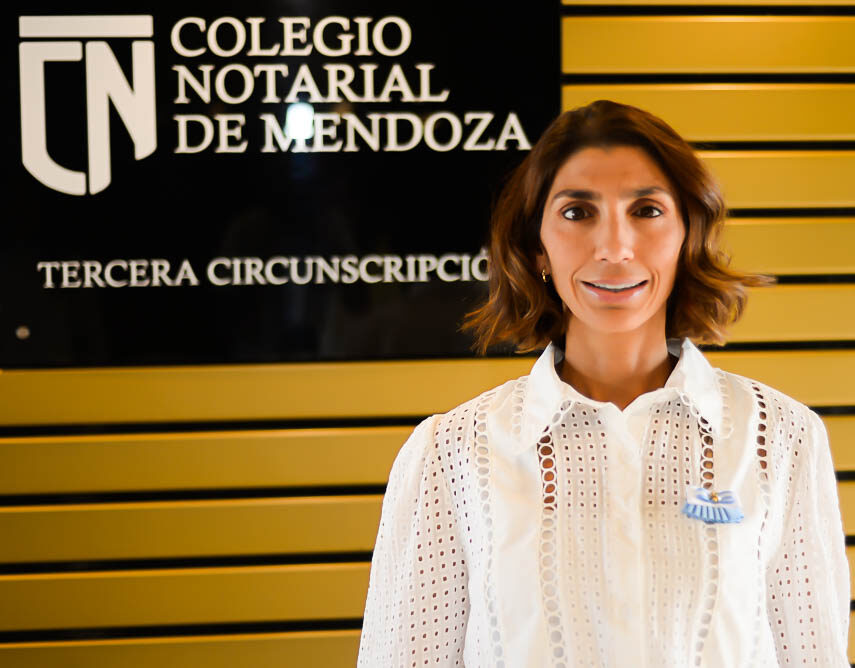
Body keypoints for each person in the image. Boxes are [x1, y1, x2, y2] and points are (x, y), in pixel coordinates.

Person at [356, 100, 850, 666]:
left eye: (646, 210)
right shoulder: (451, 454)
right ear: (537, 246)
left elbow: (815, 656)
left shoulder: (782, 438)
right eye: (577, 212)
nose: (614, 248)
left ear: (687, 234)